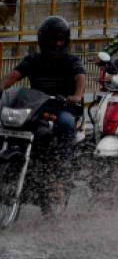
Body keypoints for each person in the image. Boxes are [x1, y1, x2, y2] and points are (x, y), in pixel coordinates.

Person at [1, 17, 85, 169]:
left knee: (66, 122)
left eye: (60, 40)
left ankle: (62, 166)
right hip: (35, 107)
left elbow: (80, 77)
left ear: (66, 41)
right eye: (52, 39)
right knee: (6, 124)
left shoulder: (71, 61)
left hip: (62, 106)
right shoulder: (33, 59)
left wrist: (77, 96)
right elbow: (13, 75)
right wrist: (1, 87)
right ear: (43, 40)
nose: (57, 43)